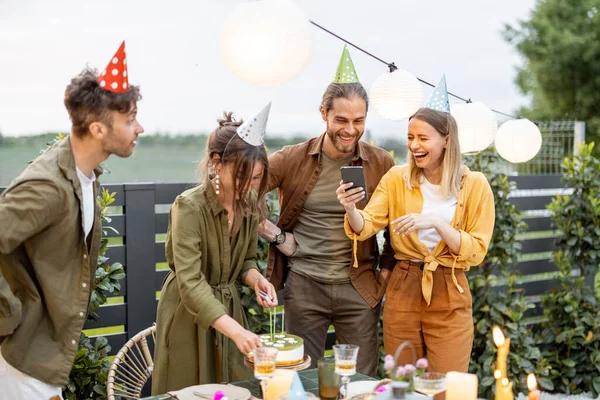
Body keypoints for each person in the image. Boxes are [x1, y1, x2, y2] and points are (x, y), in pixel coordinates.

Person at [0, 41, 143, 399]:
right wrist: (7, 314)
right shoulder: (48, 185)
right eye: (129, 119)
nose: (139, 128)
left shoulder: (85, 176)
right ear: (98, 128)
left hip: (47, 360)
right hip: (24, 362)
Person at [338, 75, 495, 384]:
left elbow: (476, 250)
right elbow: (366, 226)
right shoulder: (397, 178)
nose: (413, 145)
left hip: (450, 291)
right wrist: (350, 209)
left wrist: (436, 222)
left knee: (446, 386)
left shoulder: (475, 185)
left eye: (423, 138)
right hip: (404, 289)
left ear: (446, 139)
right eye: (410, 137)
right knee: (402, 384)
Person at [259, 46, 396, 376]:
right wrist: (275, 235)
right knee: (299, 380)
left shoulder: (381, 163)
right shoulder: (293, 158)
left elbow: (395, 225)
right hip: (304, 286)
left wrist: (385, 274)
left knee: (359, 382)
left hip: (360, 286)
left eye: (359, 120)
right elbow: (245, 190)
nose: (350, 129)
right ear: (323, 113)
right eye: (341, 120)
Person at [152, 104, 278, 394]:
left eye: (256, 178)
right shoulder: (188, 207)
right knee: (188, 390)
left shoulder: (248, 206)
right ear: (216, 162)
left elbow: (246, 260)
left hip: (230, 311)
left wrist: (257, 280)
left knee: (232, 388)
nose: (248, 186)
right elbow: (191, 281)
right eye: (242, 176)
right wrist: (236, 331)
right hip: (189, 315)